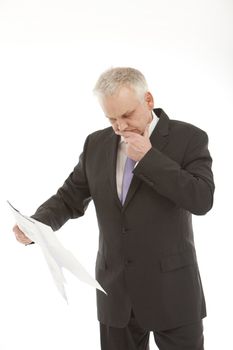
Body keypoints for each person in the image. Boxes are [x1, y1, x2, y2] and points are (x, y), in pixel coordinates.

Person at [13, 67, 215, 350]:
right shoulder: (96, 143)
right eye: (111, 118)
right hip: (116, 293)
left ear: (148, 100)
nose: (120, 127)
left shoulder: (189, 138)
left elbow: (202, 199)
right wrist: (36, 224)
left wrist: (149, 158)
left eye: (127, 115)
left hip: (173, 291)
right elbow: (70, 196)